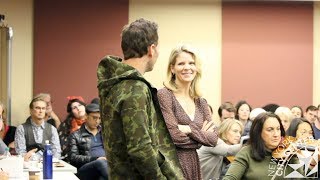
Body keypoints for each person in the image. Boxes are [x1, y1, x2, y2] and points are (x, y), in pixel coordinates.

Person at [97, 18, 184, 179]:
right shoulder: (135, 88)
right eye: (157, 48)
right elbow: (140, 148)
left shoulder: (115, 83)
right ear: (151, 49)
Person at [157, 44, 218, 180]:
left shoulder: (201, 101)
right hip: (171, 163)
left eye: (191, 63)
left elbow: (213, 139)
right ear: (172, 68)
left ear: (196, 68)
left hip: (193, 162)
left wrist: (188, 129)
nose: (187, 67)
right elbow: (172, 135)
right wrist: (200, 136)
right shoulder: (164, 95)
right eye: (181, 63)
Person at [68, 103, 108, 180]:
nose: (97, 121)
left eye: (99, 118)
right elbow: (73, 158)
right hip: (85, 169)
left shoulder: (105, 133)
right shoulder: (75, 135)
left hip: (106, 166)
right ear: (86, 116)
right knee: (100, 163)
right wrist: (95, 159)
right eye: (94, 118)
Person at [58, 96, 86, 161]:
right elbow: (63, 145)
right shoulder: (66, 124)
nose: (78, 108)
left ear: (85, 106)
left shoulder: (93, 120)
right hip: (73, 157)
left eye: (80, 105)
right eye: (74, 108)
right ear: (72, 112)